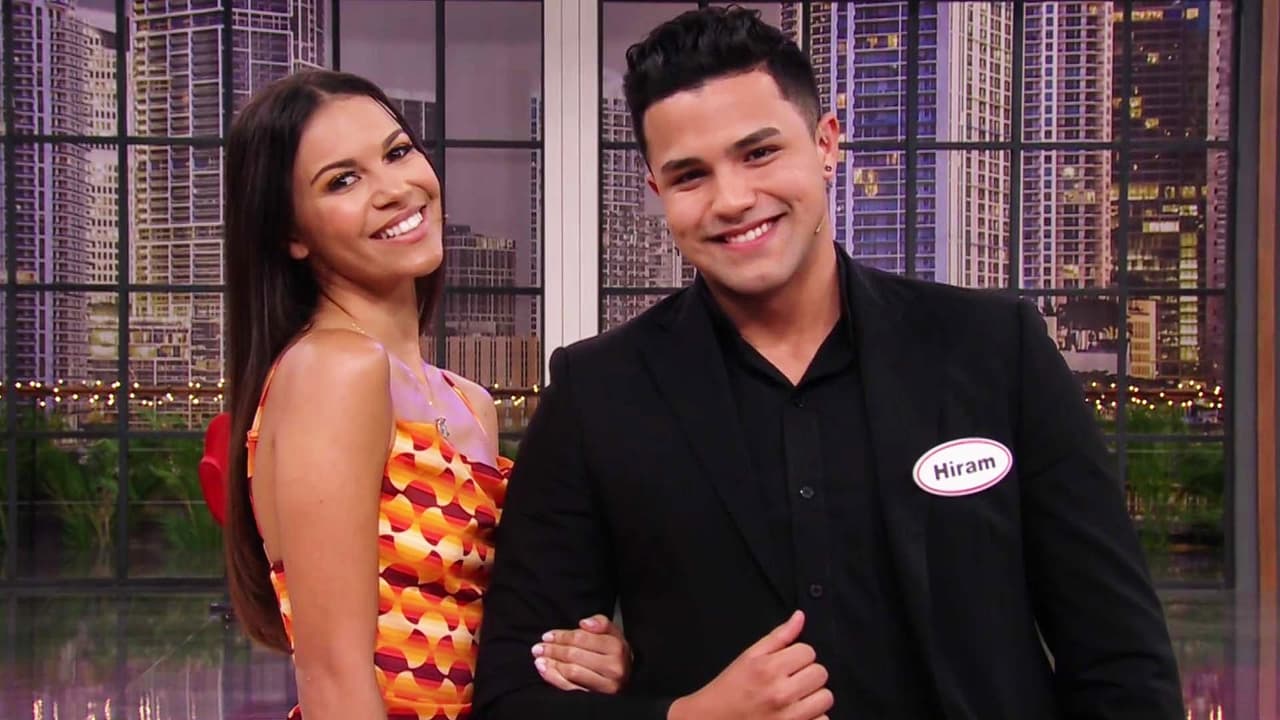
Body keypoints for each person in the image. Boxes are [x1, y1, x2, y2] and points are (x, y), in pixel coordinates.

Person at [473, 7, 1184, 720]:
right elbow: (512, 696)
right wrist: (686, 716)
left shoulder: (996, 350)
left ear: (826, 145)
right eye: (690, 176)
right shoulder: (598, 395)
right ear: (659, 193)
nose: (733, 199)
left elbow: (1120, 661)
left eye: (759, 153)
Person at [222, 69, 632, 720]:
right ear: (291, 234)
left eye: (397, 152)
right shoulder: (334, 372)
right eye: (343, 181)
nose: (393, 189)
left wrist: (586, 654)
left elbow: (481, 638)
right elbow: (334, 680)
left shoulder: (468, 403)